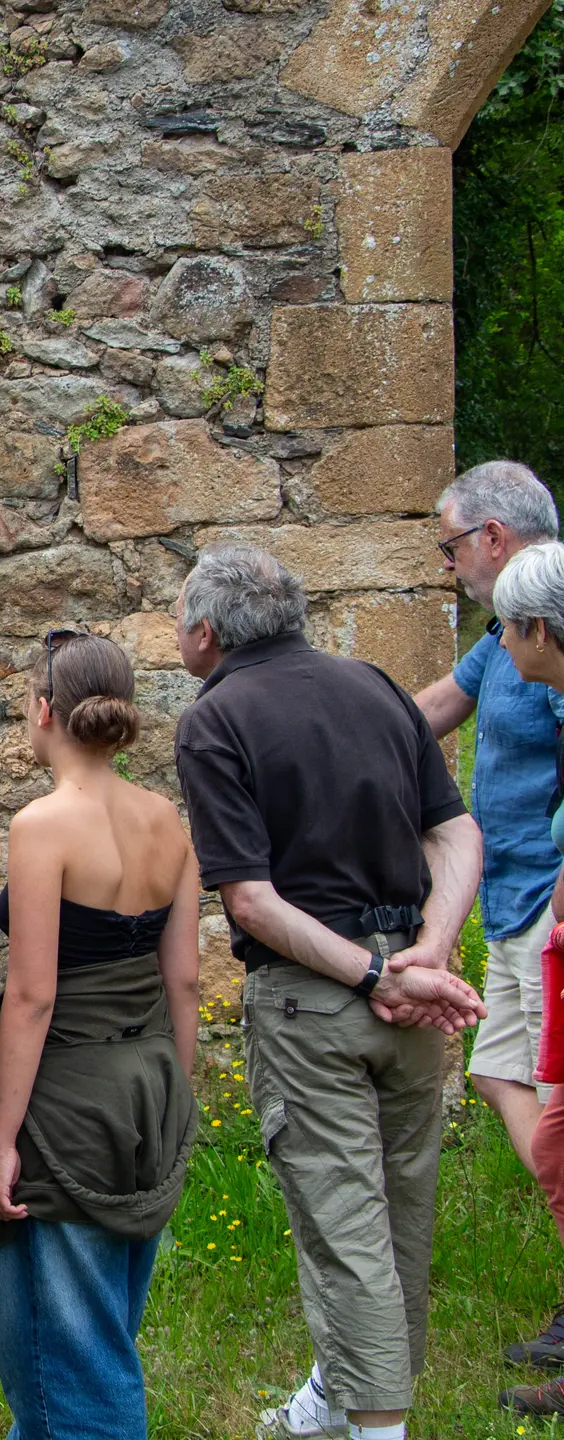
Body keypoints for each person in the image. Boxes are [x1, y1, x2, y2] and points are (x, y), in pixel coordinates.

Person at [171, 547, 484, 1440]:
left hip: (320, 999)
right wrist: (426, 953)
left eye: (179, 615)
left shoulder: (216, 718)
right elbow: (458, 833)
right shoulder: (374, 685)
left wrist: (379, 973)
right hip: (410, 991)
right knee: (402, 1214)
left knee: (346, 1226)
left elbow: (253, 902)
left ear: (206, 632)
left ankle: (377, 1429)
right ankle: (333, 1396)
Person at [0, 635, 200, 1439]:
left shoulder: (42, 826)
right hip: (151, 1090)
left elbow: (32, 997)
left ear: (45, 713)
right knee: (102, 1335)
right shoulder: (167, 820)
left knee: (73, 1367)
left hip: (67, 1105)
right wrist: (179, 1096)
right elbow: (186, 981)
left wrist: (4, 1138)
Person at [414, 464, 563, 1192]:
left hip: (550, 900)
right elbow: (441, 703)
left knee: (558, 1099)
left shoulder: (548, 631)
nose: (449, 566)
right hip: (511, 901)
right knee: (500, 1072)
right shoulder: (509, 630)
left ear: (493, 536)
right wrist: (346, 730)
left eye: (452, 548)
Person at [464, 540, 564, 1416]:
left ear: (538, 629)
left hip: (548, 917)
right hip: (524, 905)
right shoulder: (521, 658)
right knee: (502, 1073)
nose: (503, 647)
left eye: (510, 631)